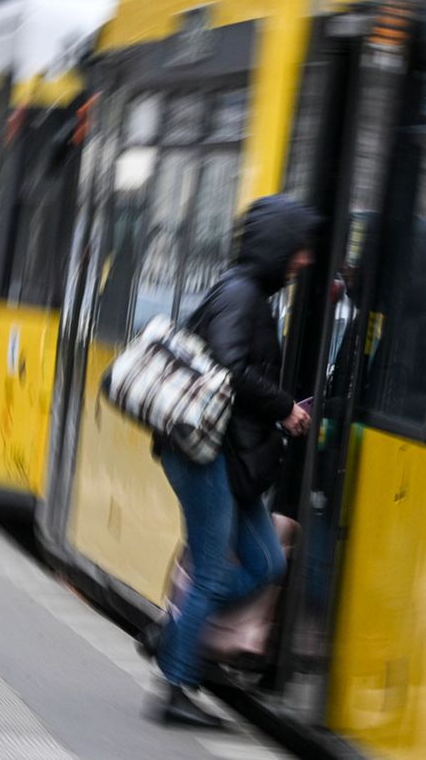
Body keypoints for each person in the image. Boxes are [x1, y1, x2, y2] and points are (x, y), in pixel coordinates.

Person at [141, 195, 323, 728]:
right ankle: (173, 689)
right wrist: (285, 407)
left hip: (230, 458)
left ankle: (170, 634)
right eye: (298, 249)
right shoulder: (241, 295)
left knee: (267, 562)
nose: (304, 260)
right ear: (277, 247)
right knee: (210, 572)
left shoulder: (249, 295)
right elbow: (229, 369)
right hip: (204, 454)